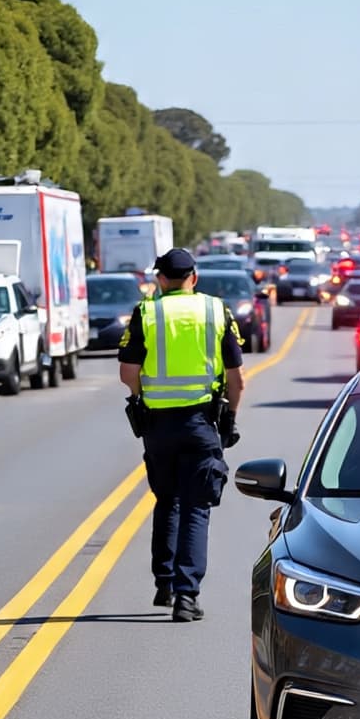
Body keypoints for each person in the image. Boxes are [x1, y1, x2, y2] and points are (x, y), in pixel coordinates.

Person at [118, 247, 245, 622]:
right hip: (201, 423)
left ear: (160, 279)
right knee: (196, 507)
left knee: (167, 500)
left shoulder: (147, 312)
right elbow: (237, 379)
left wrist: (141, 399)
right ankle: (187, 597)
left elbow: (128, 372)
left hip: (158, 426)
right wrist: (231, 419)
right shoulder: (215, 311)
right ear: (195, 277)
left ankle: (165, 582)